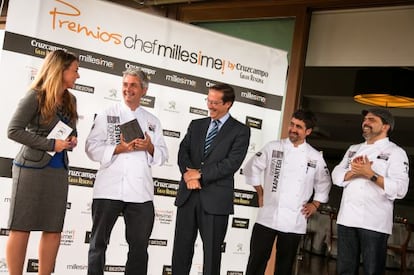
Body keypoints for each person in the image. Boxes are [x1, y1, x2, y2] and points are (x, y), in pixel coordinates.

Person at [85, 67, 168, 275]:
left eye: (133, 85)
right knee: (98, 244)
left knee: (139, 248)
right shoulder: (107, 114)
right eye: (125, 84)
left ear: (144, 90)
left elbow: (163, 156)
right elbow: (91, 147)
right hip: (108, 189)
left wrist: (148, 146)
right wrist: (118, 149)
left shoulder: (152, 121)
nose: (127, 89)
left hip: (140, 193)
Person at [6, 49, 79, 275]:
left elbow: (68, 130)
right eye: (75, 71)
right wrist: (51, 145)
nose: (78, 76)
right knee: (21, 228)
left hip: (58, 172)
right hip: (30, 171)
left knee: (54, 229)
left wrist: (71, 140)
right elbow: (13, 131)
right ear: (61, 70)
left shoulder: (70, 99)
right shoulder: (35, 96)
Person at [171, 83, 251, 275]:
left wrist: (201, 174)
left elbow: (232, 163)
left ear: (228, 104)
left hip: (216, 202)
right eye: (209, 100)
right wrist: (188, 175)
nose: (210, 106)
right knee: (180, 253)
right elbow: (183, 153)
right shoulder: (196, 125)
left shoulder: (241, 131)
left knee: (212, 257)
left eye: (215, 102)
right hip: (188, 196)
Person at [243, 109, 331, 275]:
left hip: (294, 220)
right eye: (292, 124)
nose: (293, 129)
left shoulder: (314, 157)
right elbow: (251, 168)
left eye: (298, 126)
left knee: (284, 267)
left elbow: (324, 182)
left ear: (308, 131)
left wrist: (315, 204)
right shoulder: (273, 147)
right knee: (256, 262)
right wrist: (260, 192)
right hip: (267, 217)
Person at [332, 108, 409, 275]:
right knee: (344, 270)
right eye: (365, 119)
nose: (365, 122)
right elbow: (336, 175)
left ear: (385, 127)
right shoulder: (353, 149)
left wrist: (370, 174)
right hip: (347, 219)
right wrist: (354, 172)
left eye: (372, 120)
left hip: (375, 223)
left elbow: (401, 189)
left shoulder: (396, 152)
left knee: (372, 271)